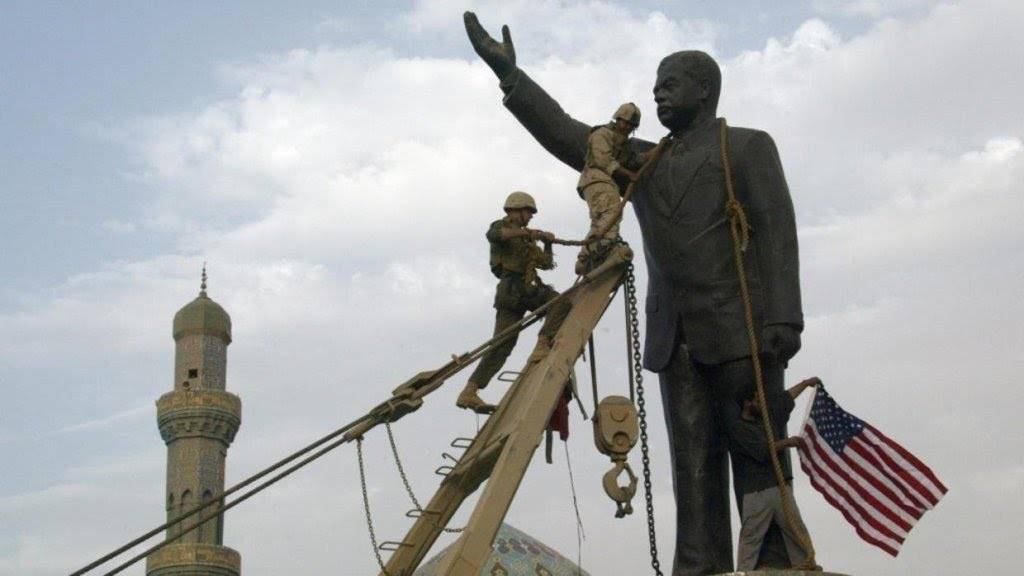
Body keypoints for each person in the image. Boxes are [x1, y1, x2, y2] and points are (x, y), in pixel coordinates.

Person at [465, 14, 805, 575]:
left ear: (704, 90)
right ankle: (698, 566)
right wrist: (511, 78)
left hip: (743, 330)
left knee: (757, 451)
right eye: (655, 85)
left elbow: (776, 230)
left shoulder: (745, 147)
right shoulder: (644, 162)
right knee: (691, 463)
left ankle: (774, 563)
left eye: (670, 84)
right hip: (675, 339)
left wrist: (784, 320)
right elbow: (572, 136)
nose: (656, 94)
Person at [456, 191, 571, 414]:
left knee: (503, 342)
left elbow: (546, 264)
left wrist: (547, 243)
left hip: (524, 288)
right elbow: (494, 235)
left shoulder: (526, 239)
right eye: (528, 212)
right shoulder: (502, 226)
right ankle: (471, 390)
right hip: (512, 288)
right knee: (504, 343)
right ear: (516, 210)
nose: (530, 217)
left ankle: (470, 390)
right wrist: (527, 233)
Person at [724, 377, 819, 571]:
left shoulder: (768, 418)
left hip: (779, 488)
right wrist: (787, 442)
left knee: (796, 531)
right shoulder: (739, 429)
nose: (761, 404)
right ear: (747, 403)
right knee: (751, 538)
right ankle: (744, 572)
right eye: (757, 400)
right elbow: (761, 450)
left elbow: (786, 399)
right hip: (757, 492)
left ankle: (806, 568)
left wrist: (805, 383)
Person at [575, 103, 642, 274]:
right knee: (612, 211)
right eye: (625, 122)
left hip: (603, 181)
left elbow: (634, 160)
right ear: (617, 119)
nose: (627, 127)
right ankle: (603, 248)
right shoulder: (602, 134)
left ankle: (585, 258)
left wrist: (661, 147)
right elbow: (603, 160)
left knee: (600, 220)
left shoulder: (623, 143)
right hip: (596, 178)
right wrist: (629, 175)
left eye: (631, 125)